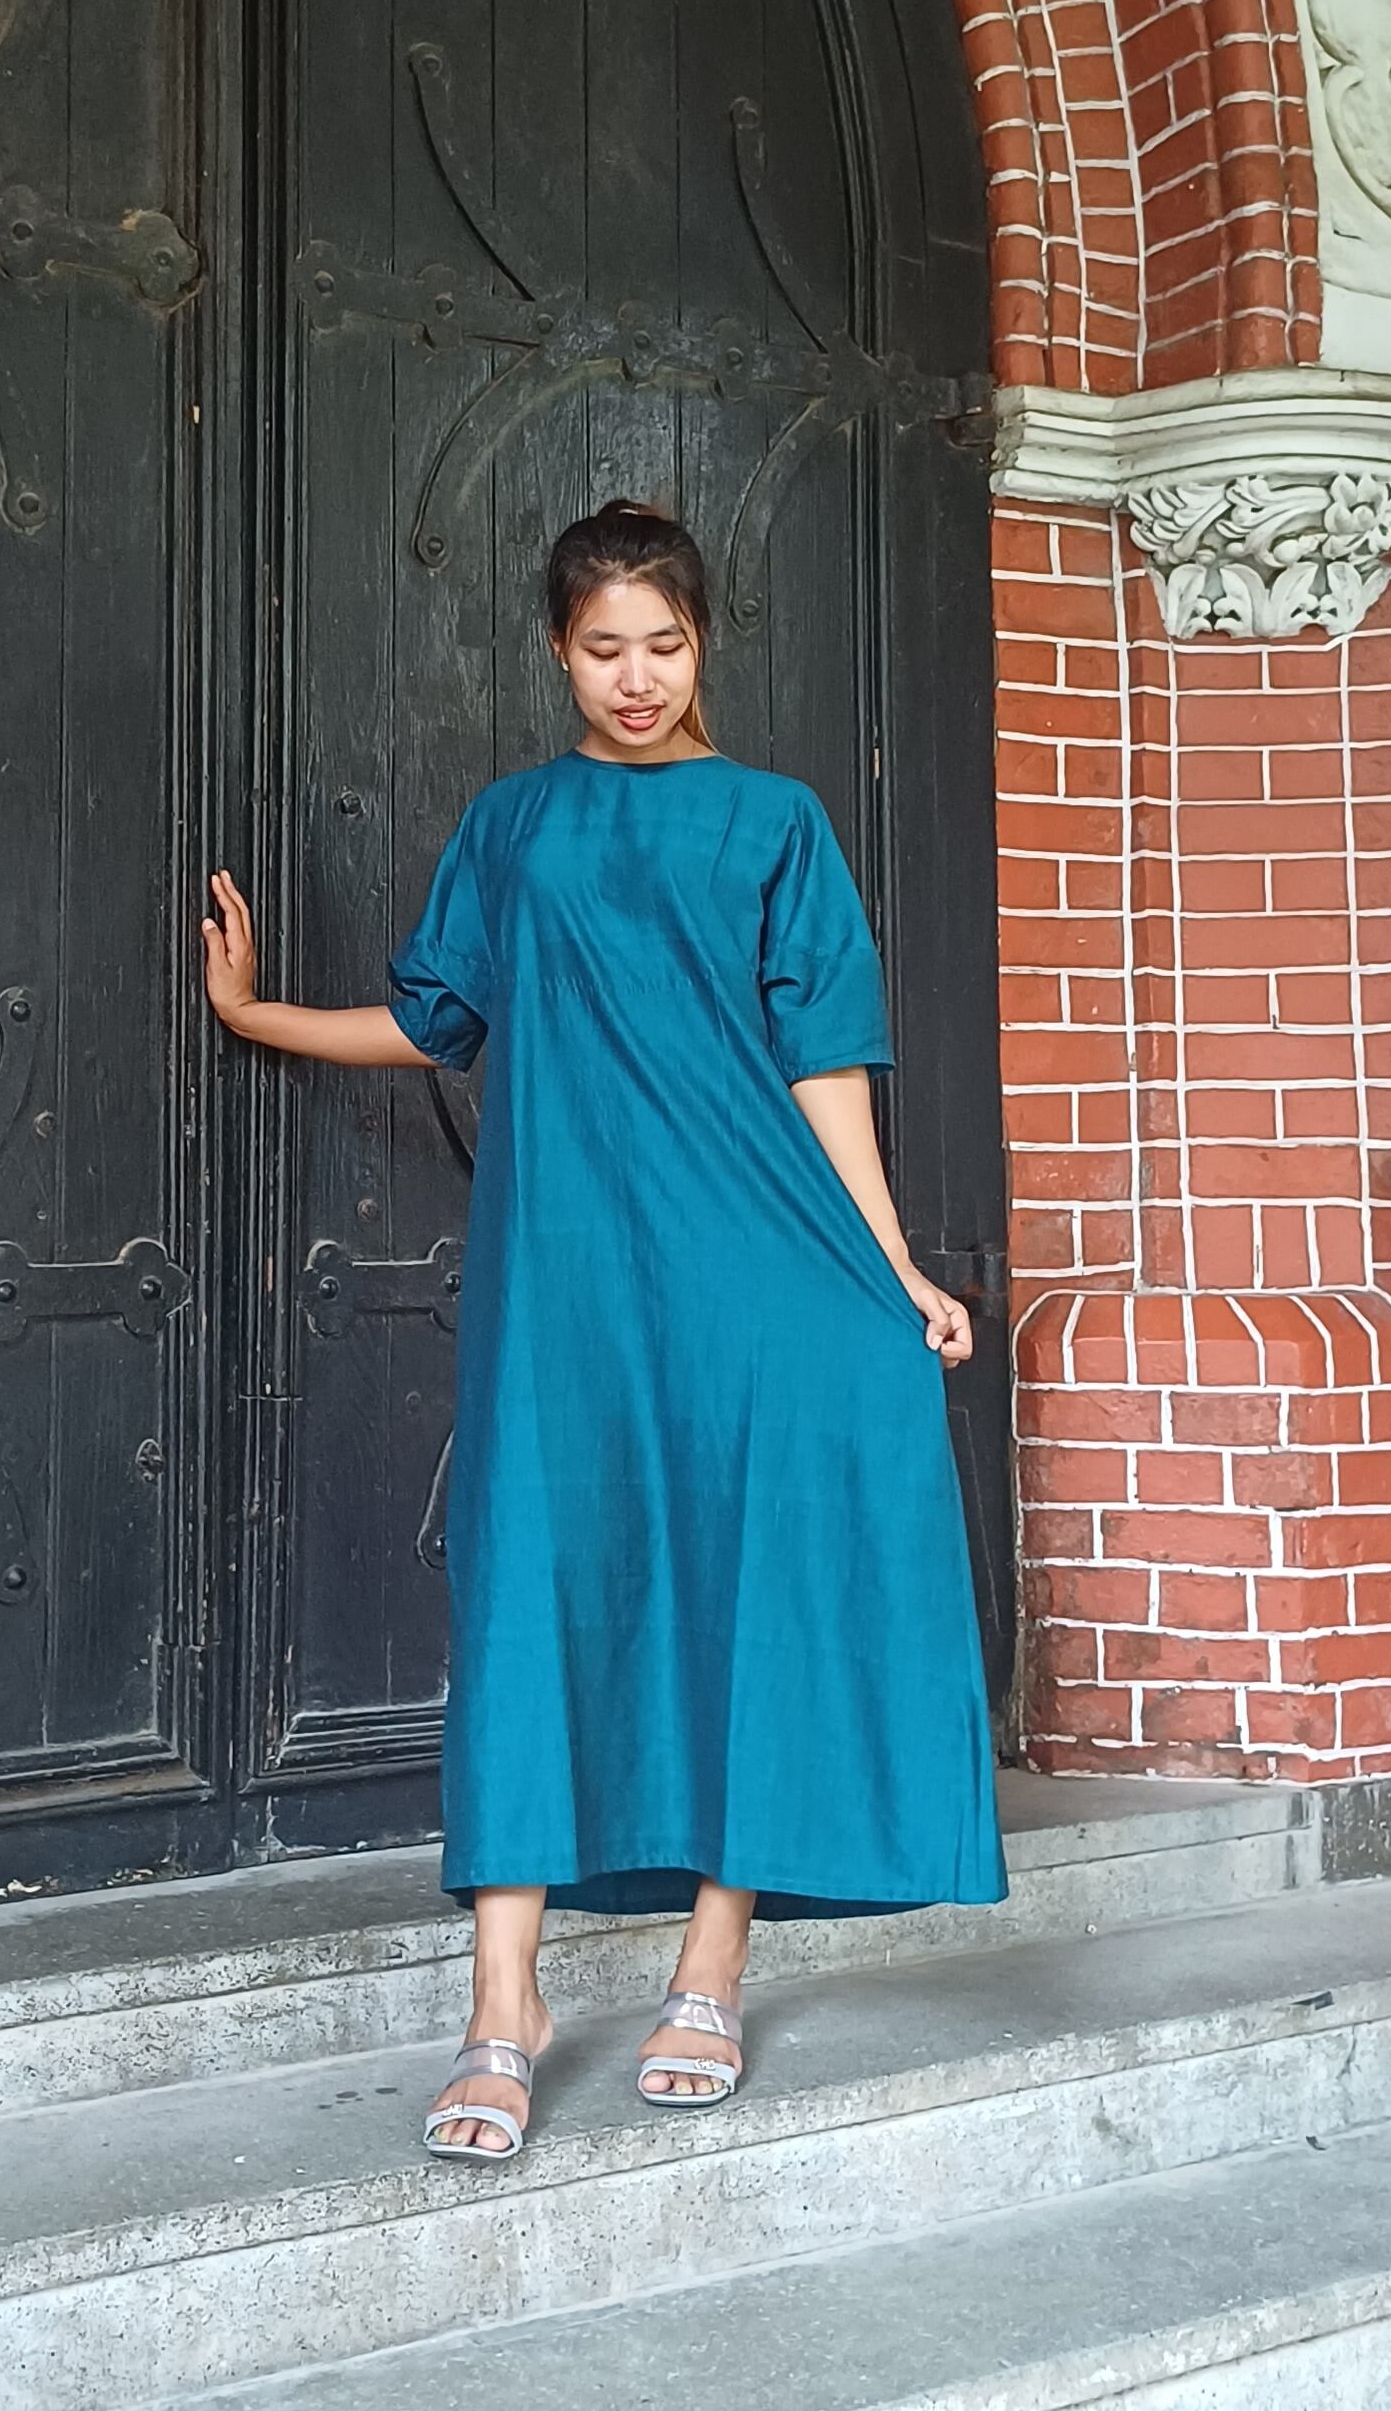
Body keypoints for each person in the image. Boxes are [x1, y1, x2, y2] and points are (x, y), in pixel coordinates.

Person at [199, 499, 1004, 2159]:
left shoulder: (775, 822)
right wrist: (255, 1012)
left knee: (745, 1580)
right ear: (557, 653)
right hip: (565, 1278)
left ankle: (713, 1962)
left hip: (757, 1266)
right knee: (532, 1587)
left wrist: (896, 1270)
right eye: (603, 649)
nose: (637, 679)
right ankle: (505, 2003)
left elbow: (826, 1068)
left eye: (665, 645)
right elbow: (436, 1017)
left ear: (703, 646)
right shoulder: (515, 824)